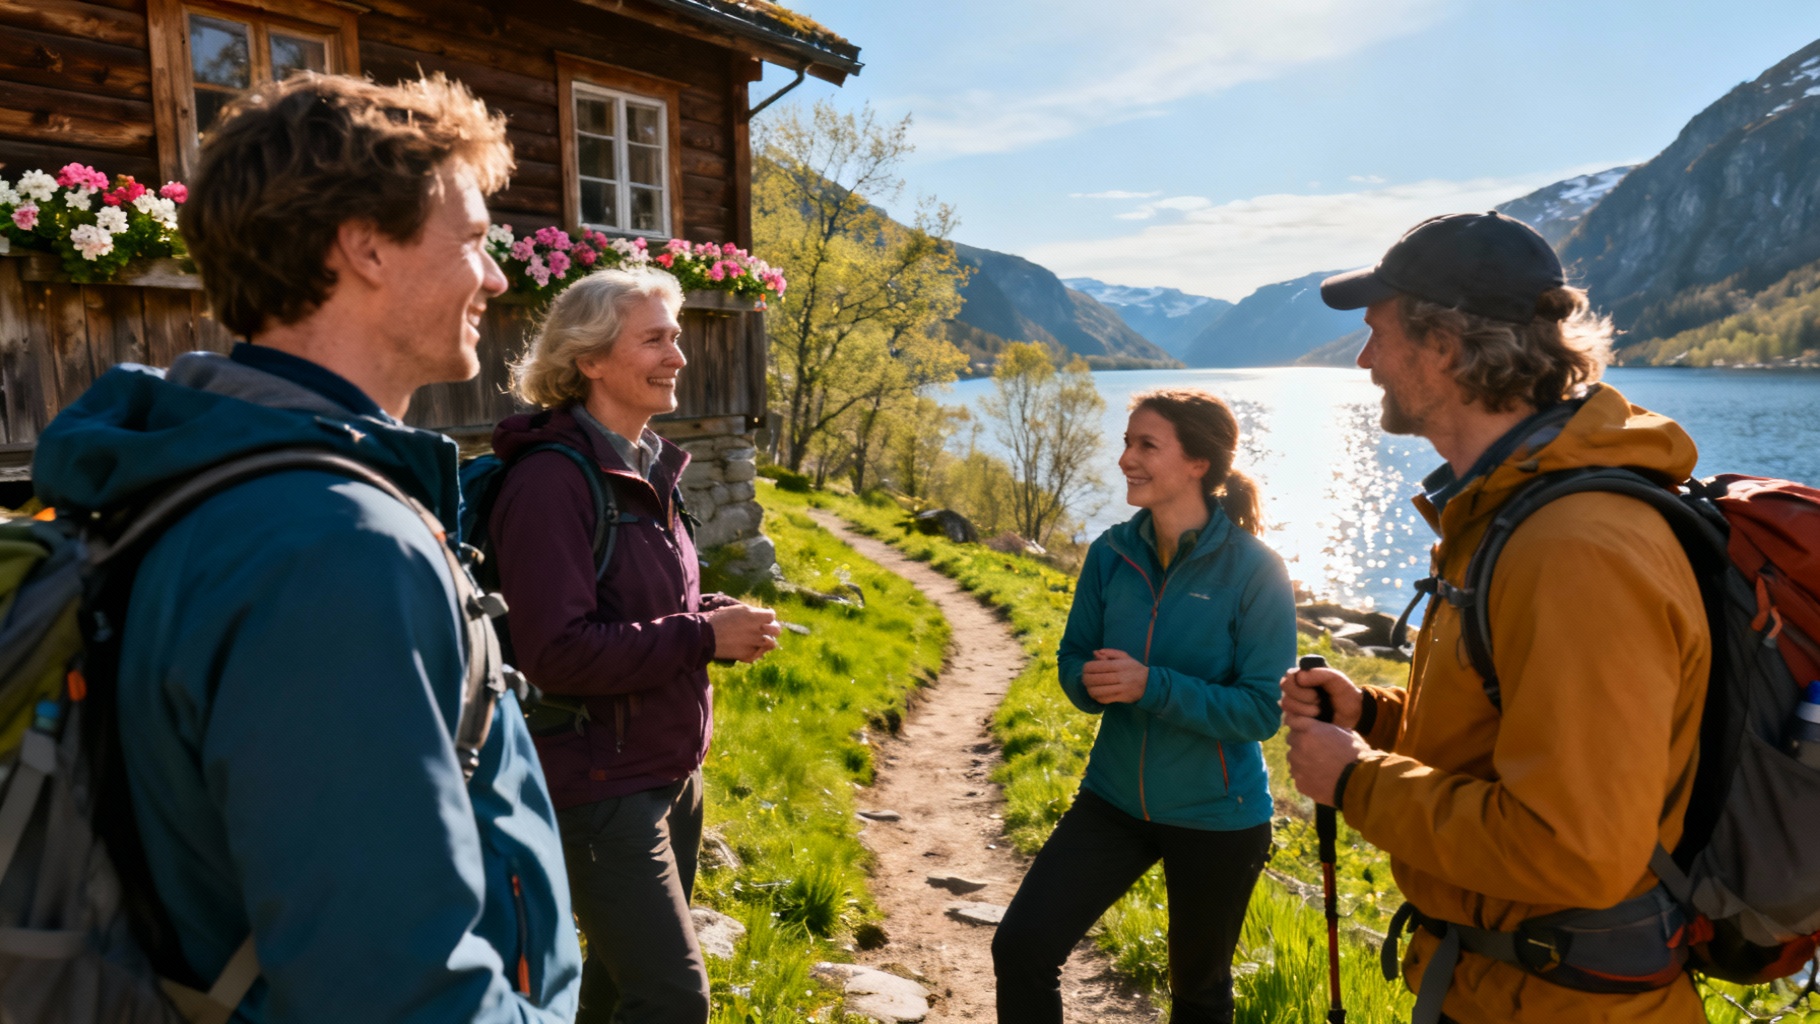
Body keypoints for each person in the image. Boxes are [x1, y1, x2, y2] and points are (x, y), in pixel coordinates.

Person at [29, 74, 582, 1021]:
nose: (496, 278)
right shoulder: (330, 545)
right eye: (474, 240)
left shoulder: (198, 475)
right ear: (365, 246)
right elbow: (395, 993)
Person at [1280, 212, 1711, 1023]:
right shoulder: (1510, 511)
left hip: (1563, 1005)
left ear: (1444, 346)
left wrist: (1357, 779)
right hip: (1502, 987)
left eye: (1378, 334)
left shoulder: (1575, 550)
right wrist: (1374, 717)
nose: (1366, 360)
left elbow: (1573, 847)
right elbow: (1510, 730)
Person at [487, 268, 781, 1024]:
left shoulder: (647, 463)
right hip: (598, 784)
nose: (678, 356)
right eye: (655, 340)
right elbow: (555, 651)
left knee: (618, 991)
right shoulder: (552, 483)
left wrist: (712, 615)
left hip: (668, 771)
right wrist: (702, 636)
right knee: (673, 1001)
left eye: (674, 337)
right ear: (589, 358)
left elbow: (635, 602)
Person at [992, 389, 1297, 1024]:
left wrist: (1149, 686)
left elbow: (1261, 710)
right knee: (1022, 946)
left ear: (1198, 463)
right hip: (1113, 801)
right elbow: (1073, 657)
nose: (1126, 458)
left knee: (1198, 995)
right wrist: (1087, 681)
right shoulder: (1111, 553)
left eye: (1146, 445)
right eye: (1127, 442)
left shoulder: (1255, 569)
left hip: (1218, 816)